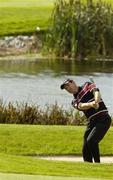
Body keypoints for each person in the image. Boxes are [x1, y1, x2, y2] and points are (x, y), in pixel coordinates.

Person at [60, 79, 111, 163]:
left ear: (73, 82)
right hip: (92, 122)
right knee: (85, 147)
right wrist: (92, 104)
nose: (68, 89)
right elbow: (81, 106)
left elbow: (96, 92)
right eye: (66, 88)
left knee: (91, 141)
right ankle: (88, 166)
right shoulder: (74, 101)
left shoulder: (87, 85)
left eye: (68, 85)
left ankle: (97, 164)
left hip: (103, 119)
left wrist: (96, 100)